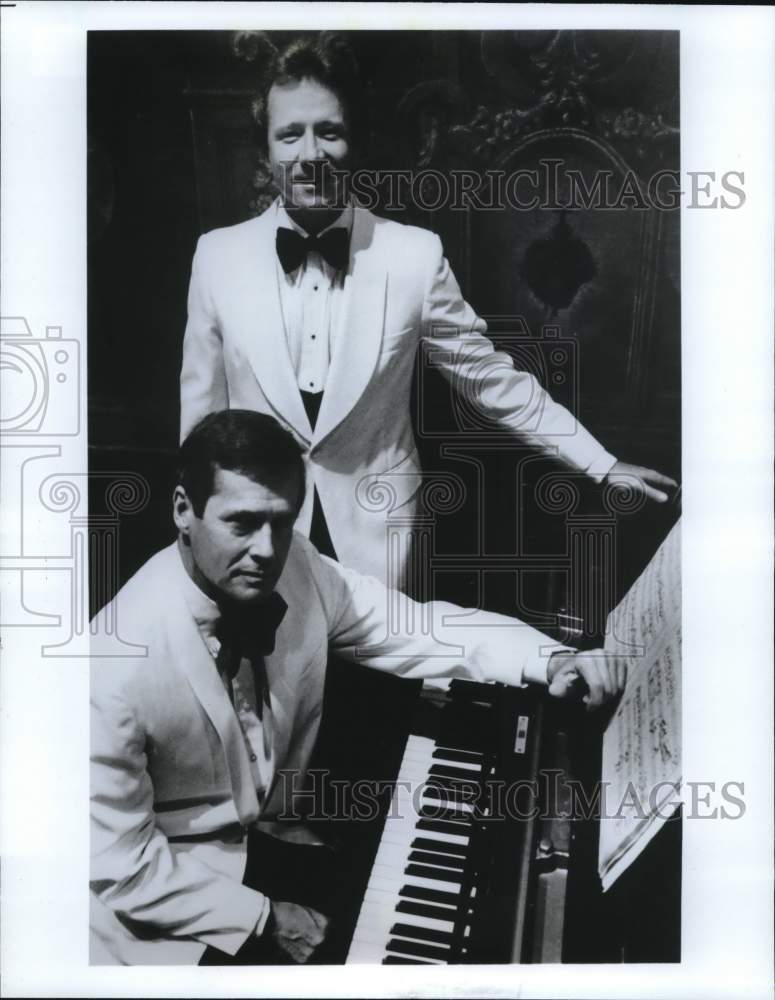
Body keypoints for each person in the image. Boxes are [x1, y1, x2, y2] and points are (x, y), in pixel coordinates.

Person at [90, 409, 626, 966]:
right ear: (183, 509)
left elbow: (413, 626)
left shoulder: (295, 563)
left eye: (282, 521)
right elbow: (120, 869)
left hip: (259, 836)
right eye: (242, 523)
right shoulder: (109, 664)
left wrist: (552, 658)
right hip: (165, 903)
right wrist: (265, 917)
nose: (267, 551)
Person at [179, 32, 677, 592]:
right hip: (254, 533)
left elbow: (488, 377)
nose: (311, 154)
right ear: (266, 150)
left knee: (382, 677)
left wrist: (600, 464)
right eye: (290, 134)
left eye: (330, 132)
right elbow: (200, 418)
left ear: (353, 143)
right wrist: (191, 541)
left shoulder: (414, 255)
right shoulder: (216, 256)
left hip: (378, 533)